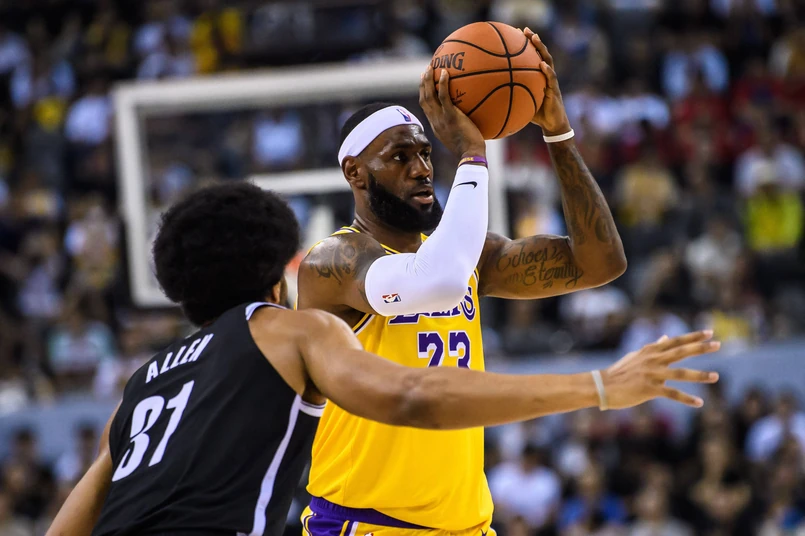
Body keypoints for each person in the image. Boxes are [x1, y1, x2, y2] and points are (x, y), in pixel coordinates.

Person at [43, 180, 721, 536]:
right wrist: (598, 385)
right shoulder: (289, 331)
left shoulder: (139, 388)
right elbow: (413, 395)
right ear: (277, 273)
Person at [295, 30, 639, 536]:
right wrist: (472, 152)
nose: (421, 169)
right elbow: (440, 279)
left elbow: (600, 263)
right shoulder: (333, 262)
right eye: (399, 157)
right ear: (355, 173)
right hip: (366, 524)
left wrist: (558, 135)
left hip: (466, 526)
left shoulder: (466, 254)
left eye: (424, 153)